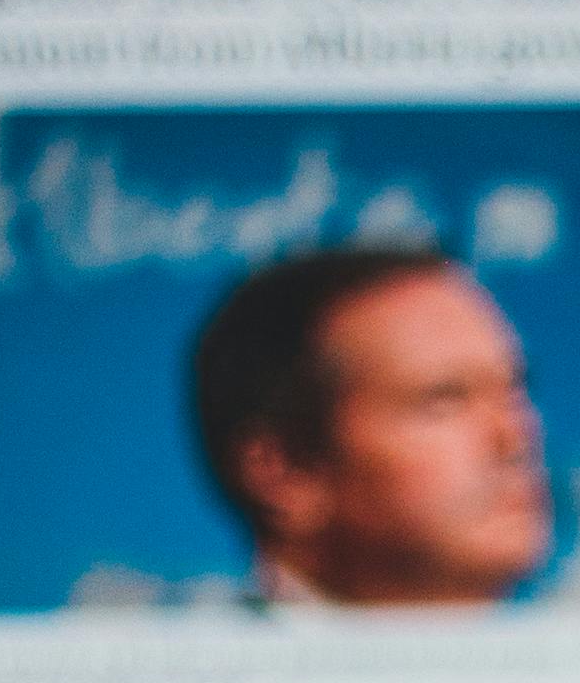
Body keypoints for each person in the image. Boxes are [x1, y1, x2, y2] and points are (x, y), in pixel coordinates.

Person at [185, 243, 553, 608]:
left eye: (514, 393)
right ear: (283, 470)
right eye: (445, 400)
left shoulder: (579, 662)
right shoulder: (181, 664)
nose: (517, 437)